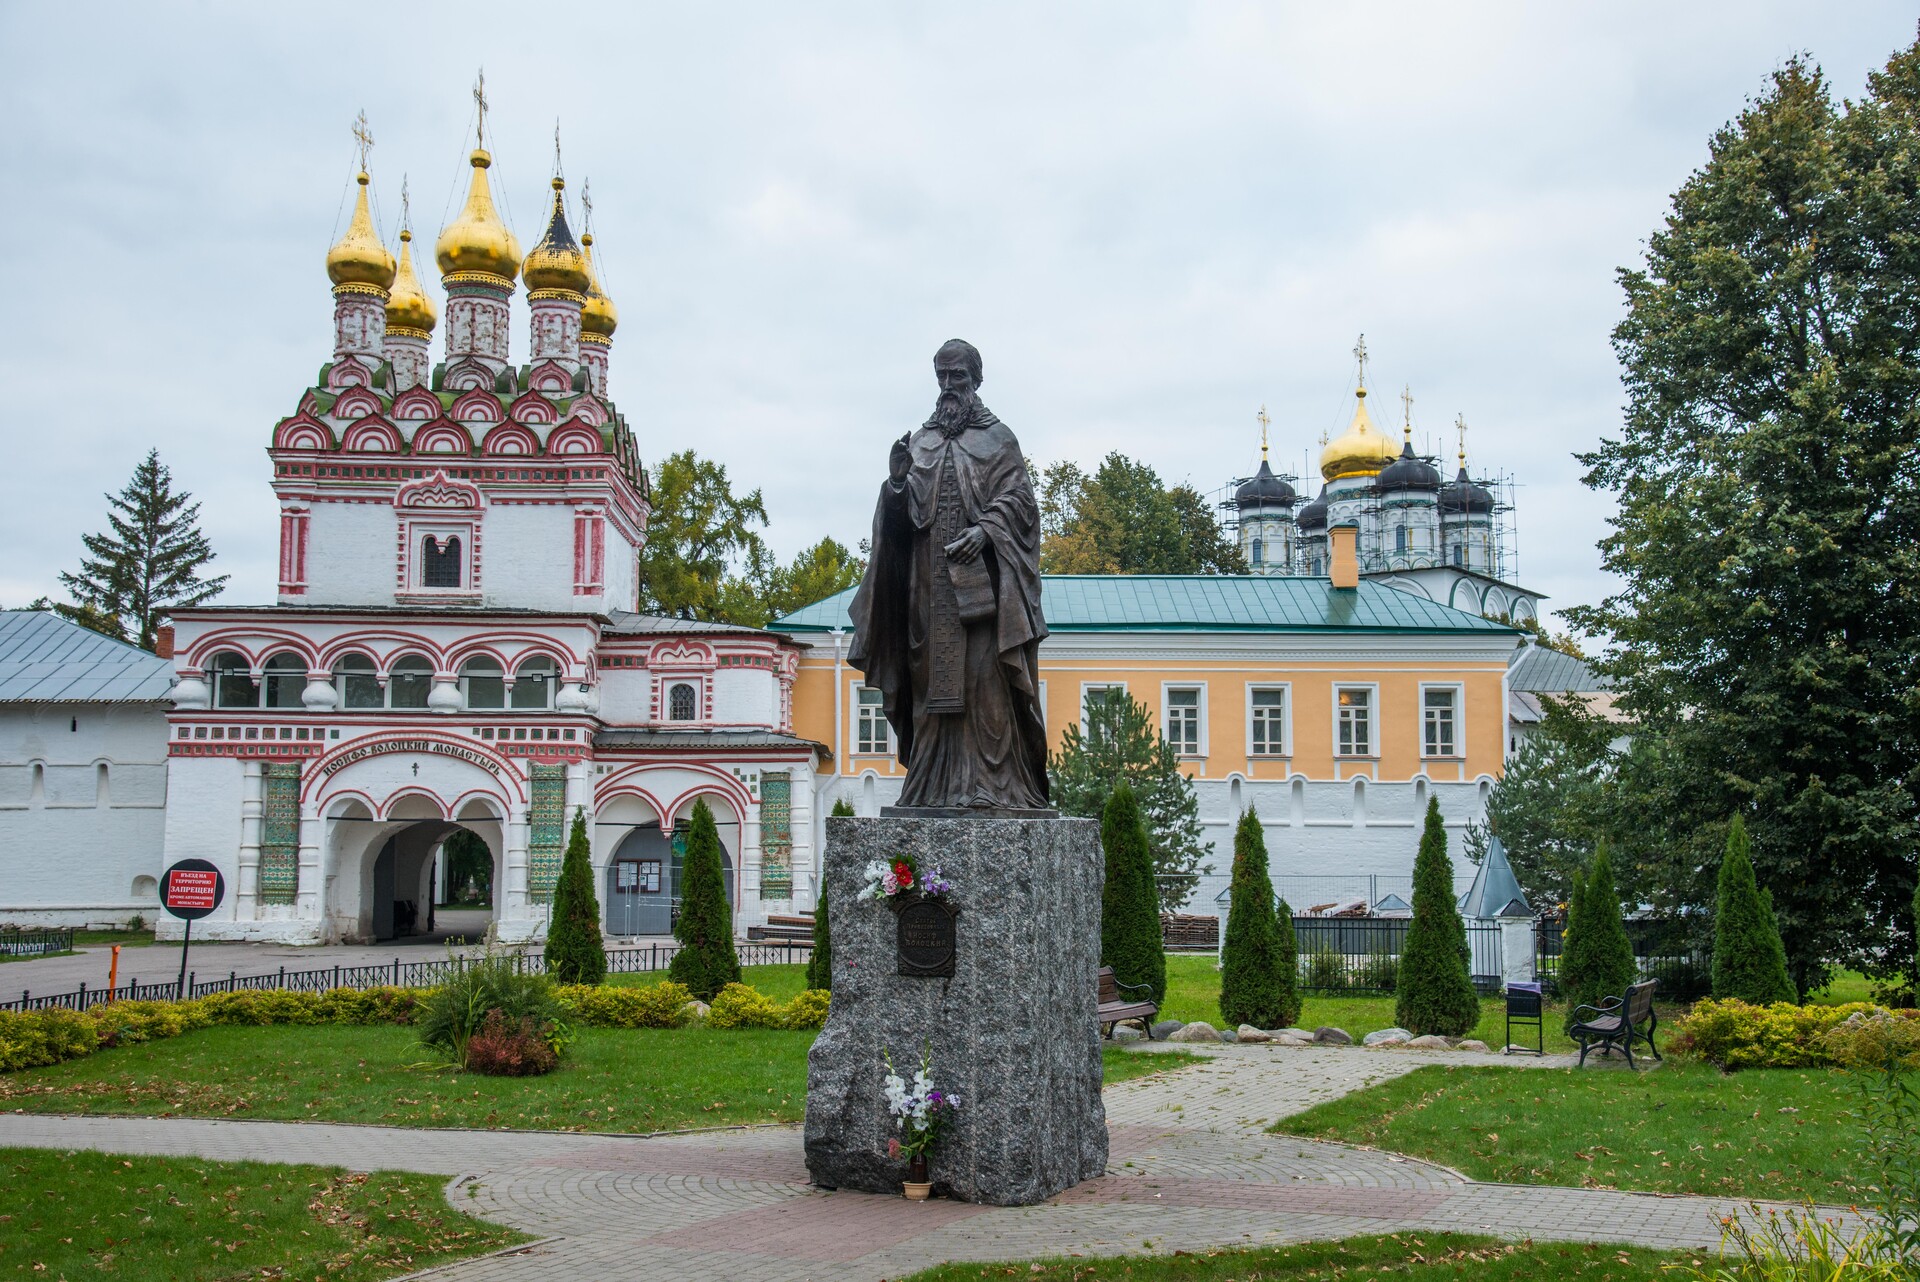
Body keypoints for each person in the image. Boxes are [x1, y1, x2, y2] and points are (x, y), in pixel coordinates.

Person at [848, 339, 1051, 811]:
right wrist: (897, 482)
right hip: (927, 589)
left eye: (957, 376)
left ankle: (993, 786)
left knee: (985, 686)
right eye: (941, 376)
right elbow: (899, 523)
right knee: (930, 690)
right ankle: (931, 785)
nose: (947, 386)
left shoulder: (999, 439)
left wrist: (985, 530)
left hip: (981, 593)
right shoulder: (921, 441)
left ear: (976, 380)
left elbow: (1022, 505)